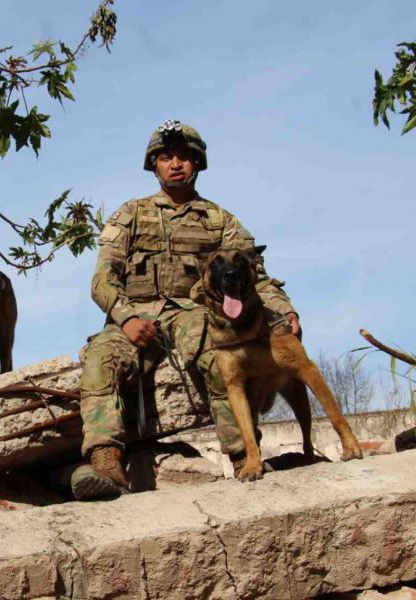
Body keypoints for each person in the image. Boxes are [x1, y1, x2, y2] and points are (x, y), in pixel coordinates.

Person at [71, 119, 300, 500]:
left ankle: (246, 456)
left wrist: (284, 311)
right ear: (154, 165)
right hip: (135, 313)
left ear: (197, 164)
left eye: (184, 157)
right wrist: (126, 318)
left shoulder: (220, 221)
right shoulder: (130, 213)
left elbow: (256, 277)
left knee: (219, 358)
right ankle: (106, 464)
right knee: (99, 360)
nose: (175, 164)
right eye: (166, 157)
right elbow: (102, 281)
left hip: (195, 312)